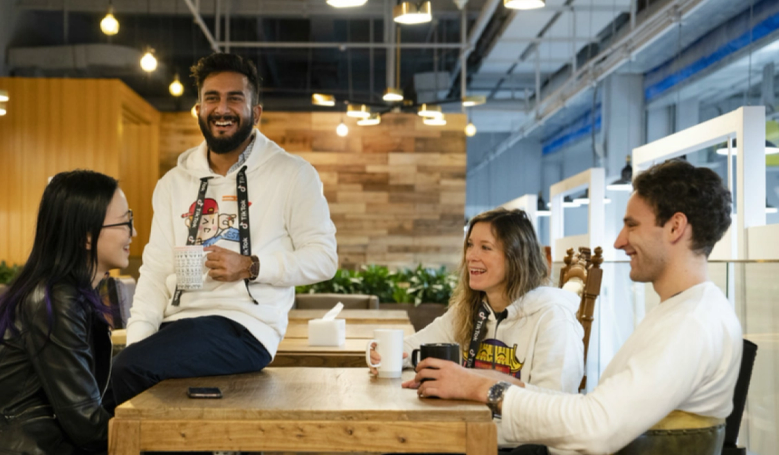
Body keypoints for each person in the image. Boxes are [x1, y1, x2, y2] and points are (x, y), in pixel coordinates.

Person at [407, 160, 742, 455]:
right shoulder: (683, 312)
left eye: (632, 225)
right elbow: (593, 411)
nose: (618, 240)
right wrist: (493, 383)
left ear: (675, 227)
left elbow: (597, 428)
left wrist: (482, 387)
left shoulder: (691, 324)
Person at [110, 53, 337, 405]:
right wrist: (138, 345)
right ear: (199, 109)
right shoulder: (172, 184)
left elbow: (324, 259)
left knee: (123, 372)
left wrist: (250, 266)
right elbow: (155, 273)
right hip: (178, 327)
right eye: (212, 98)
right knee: (111, 370)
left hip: (245, 329)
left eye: (235, 98)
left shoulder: (293, 174)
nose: (222, 108)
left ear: (256, 113)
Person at [370, 208, 585, 449]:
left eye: (485, 247)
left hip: (520, 446)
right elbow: (410, 347)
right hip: (469, 433)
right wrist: (385, 356)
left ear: (516, 257)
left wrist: (473, 387)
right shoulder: (471, 309)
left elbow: (556, 408)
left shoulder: (553, 318)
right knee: (393, 444)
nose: (471, 256)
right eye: (470, 245)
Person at [0, 170, 135, 455]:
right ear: (87, 236)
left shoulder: (64, 293)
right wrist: (149, 438)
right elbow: (86, 423)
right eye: (124, 223)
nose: (133, 232)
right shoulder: (53, 299)